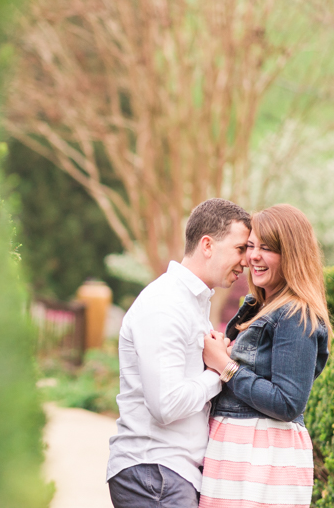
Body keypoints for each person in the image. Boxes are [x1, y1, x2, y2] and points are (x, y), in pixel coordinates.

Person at [107, 198, 251, 508]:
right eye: (240, 249)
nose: (247, 261)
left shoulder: (191, 303)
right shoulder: (166, 304)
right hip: (155, 472)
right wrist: (217, 373)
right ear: (208, 245)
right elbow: (166, 405)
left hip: (168, 474)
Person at [200, 204, 332, 508]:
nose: (253, 257)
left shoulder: (294, 315)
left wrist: (225, 365)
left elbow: (288, 402)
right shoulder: (259, 307)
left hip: (262, 456)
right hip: (238, 453)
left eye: (267, 248)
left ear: (293, 255)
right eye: (250, 246)